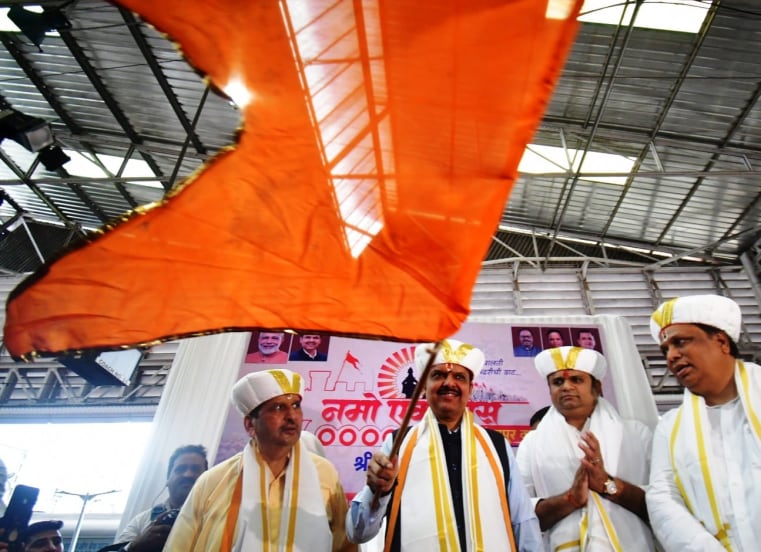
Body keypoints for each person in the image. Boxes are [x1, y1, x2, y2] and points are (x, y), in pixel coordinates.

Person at [347, 338, 541, 551]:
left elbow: (522, 520)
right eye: (438, 375)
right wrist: (377, 491)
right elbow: (358, 532)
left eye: (459, 377)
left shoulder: (496, 445)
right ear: (423, 387)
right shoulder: (398, 444)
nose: (449, 383)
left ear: (470, 388)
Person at [164, 369, 355, 551]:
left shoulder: (324, 474)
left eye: (296, 405)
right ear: (250, 425)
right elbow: (179, 546)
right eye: (278, 408)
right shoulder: (213, 481)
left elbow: (345, 543)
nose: (291, 416)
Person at [647, 294, 761, 551]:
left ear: (721, 341)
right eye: (666, 350)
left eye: (681, 342)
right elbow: (663, 499)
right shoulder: (671, 427)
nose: (671, 356)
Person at [516, 346, 654, 550]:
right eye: (558, 382)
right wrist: (570, 499)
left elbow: (660, 505)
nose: (566, 387)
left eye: (576, 380)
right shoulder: (532, 443)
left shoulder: (636, 434)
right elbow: (522, 515)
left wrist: (607, 484)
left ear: (597, 387)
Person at [115, 445, 208, 551]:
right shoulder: (142, 521)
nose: (188, 474)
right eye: (180, 469)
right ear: (167, 480)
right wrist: (137, 545)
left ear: (208, 479)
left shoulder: (220, 518)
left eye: (196, 469)